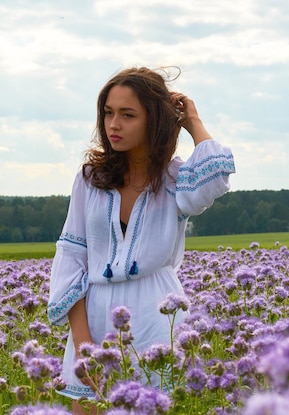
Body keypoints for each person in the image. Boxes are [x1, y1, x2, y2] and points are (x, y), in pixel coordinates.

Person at [47, 67, 235, 414]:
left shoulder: (176, 179)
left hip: (157, 315)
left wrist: (191, 120)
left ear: (154, 120)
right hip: (96, 314)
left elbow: (215, 176)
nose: (113, 125)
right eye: (108, 113)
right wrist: (83, 343)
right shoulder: (90, 178)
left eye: (128, 115)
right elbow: (73, 255)